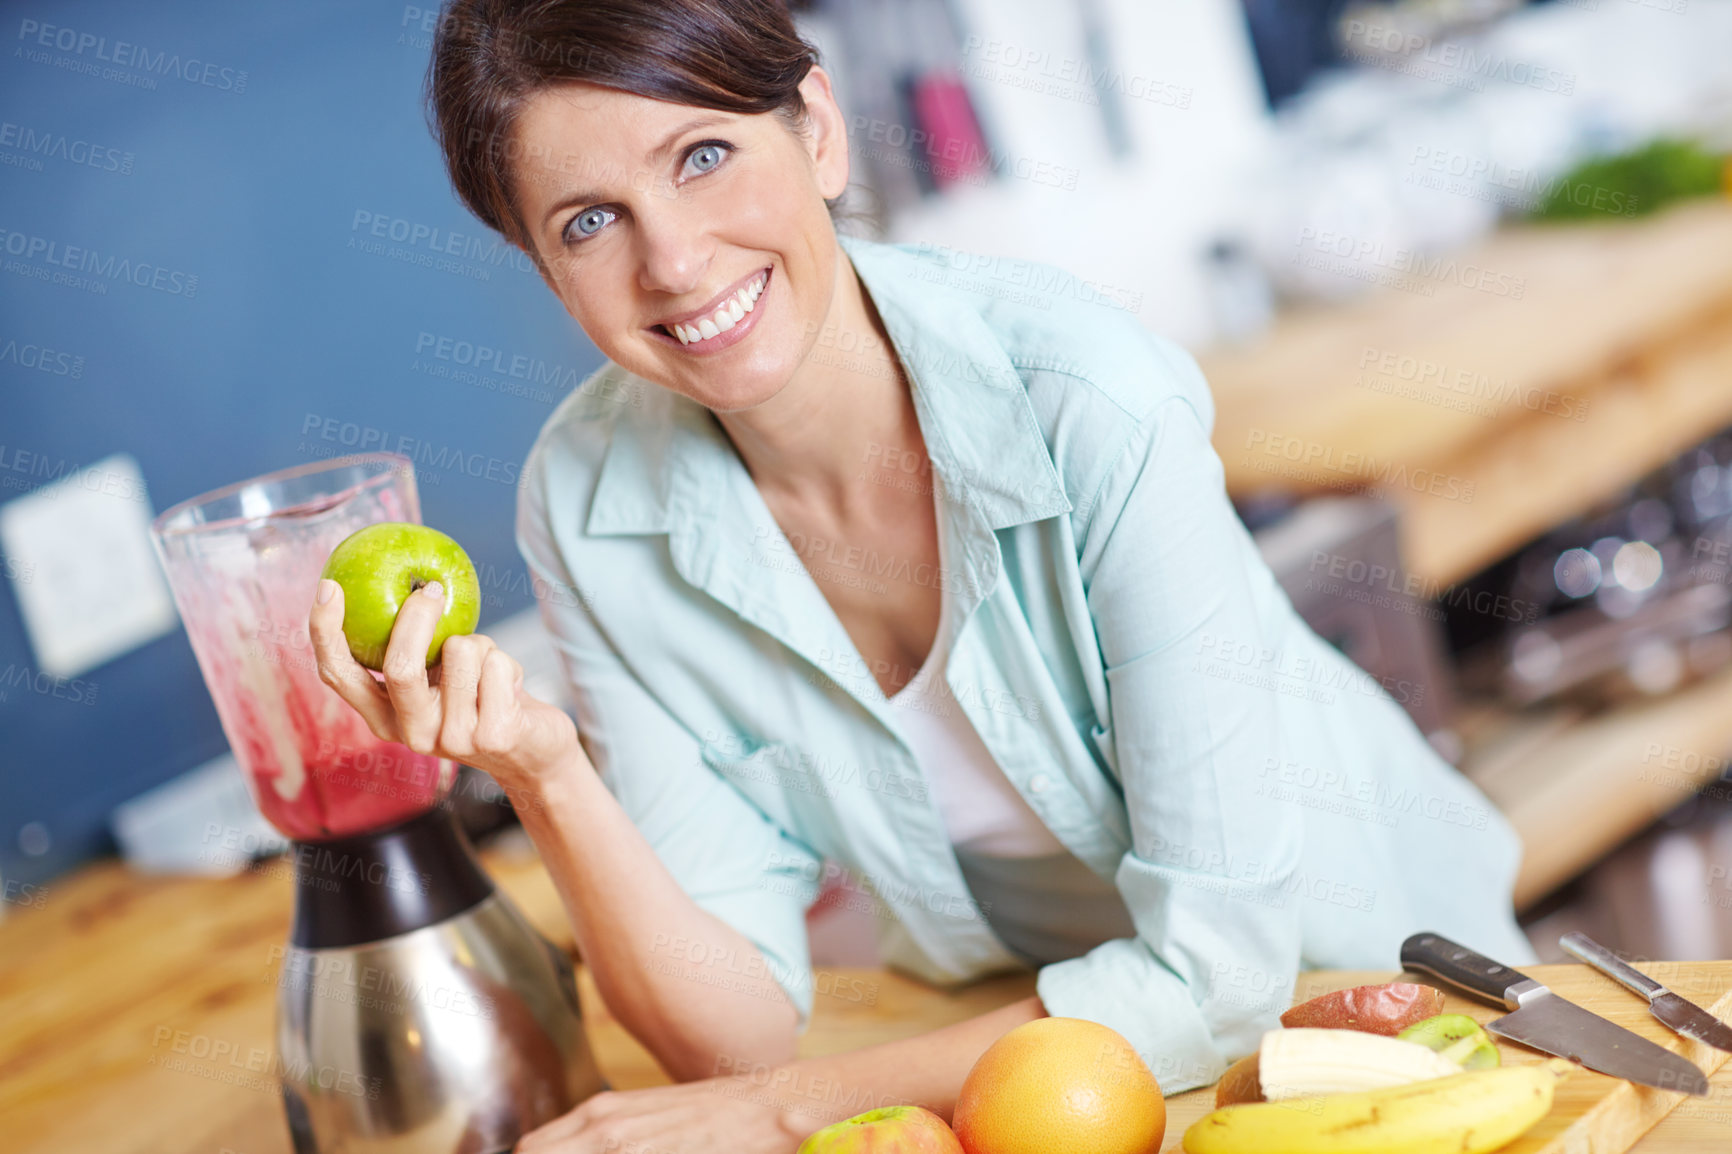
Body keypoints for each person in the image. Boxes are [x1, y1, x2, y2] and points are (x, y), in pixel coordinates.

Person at [308, 1, 1533, 1149]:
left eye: (700, 155)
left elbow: (1217, 975)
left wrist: (781, 1110)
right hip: (1032, 1076)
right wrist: (542, 767)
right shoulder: (585, 504)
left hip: (1375, 1013)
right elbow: (727, 1033)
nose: (673, 261)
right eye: (587, 220)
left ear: (820, 131)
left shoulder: (1087, 399)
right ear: (543, 268)